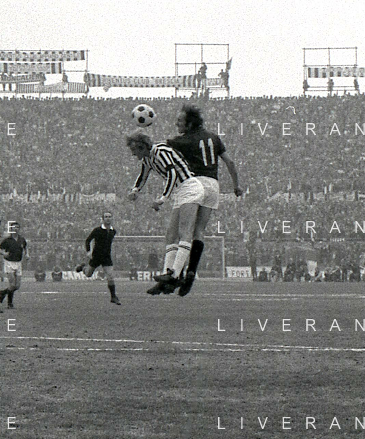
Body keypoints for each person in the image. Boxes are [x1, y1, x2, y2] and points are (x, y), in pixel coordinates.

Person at [166, 104, 243, 295]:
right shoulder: (214, 137)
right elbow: (230, 162)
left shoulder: (183, 140)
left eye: (180, 121)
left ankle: (176, 272)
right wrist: (236, 185)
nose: (176, 123)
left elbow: (161, 149)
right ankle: (191, 271)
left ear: (190, 123)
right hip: (212, 185)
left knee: (183, 231)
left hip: (194, 184)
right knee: (199, 230)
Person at [125, 131, 199, 295]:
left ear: (142, 147)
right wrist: (135, 190)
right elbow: (143, 175)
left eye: (134, 150)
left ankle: (175, 275)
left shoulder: (161, 151)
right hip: (180, 192)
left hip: (190, 187)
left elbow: (172, 173)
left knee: (185, 232)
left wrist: (162, 198)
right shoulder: (147, 158)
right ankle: (166, 277)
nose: (133, 154)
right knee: (170, 235)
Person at [76, 211, 121, 305]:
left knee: (110, 276)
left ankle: (113, 297)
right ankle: (83, 268)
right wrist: (88, 251)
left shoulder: (113, 231)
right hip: (96, 256)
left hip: (106, 257)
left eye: (109, 216)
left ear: (112, 218)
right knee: (88, 274)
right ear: (103, 219)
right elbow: (88, 240)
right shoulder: (97, 230)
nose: (108, 218)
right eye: (106, 217)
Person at [0, 220, 28, 309]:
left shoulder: (22, 239)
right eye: (14, 227)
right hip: (9, 262)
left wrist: (27, 254)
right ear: (11, 229)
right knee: (12, 284)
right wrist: (4, 253)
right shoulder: (7, 240)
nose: (16, 229)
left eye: (17, 227)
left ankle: (3, 292)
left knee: (17, 286)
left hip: (18, 263)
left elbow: (25, 248)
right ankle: (10, 303)